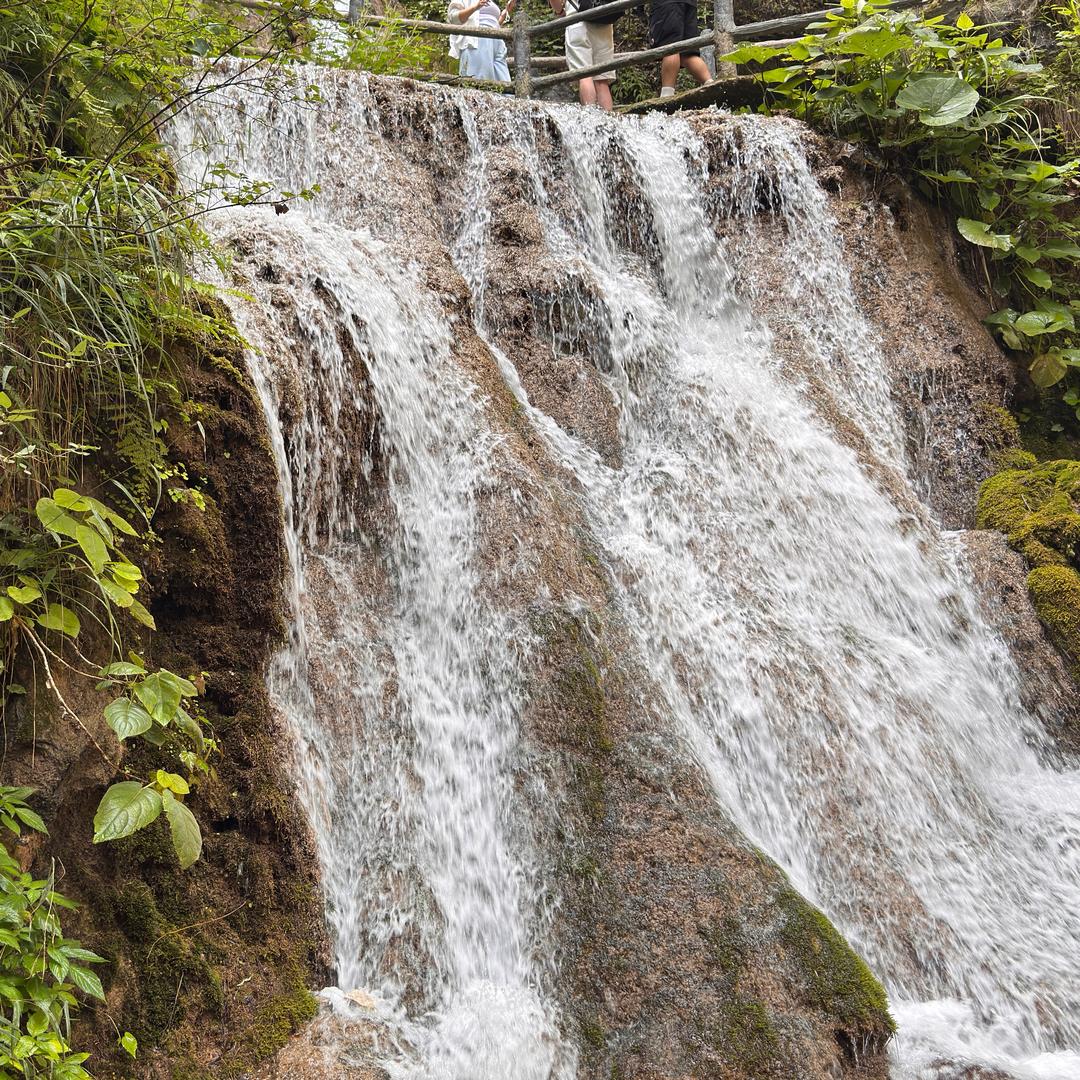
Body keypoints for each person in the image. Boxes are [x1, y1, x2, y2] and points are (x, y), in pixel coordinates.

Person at [547, 0, 616, 111]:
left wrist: (559, 12)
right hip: (604, 21)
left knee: (585, 75)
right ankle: (607, 120)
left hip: (578, 22)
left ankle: (589, 118)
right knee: (601, 80)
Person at [649, 0, 711, 98]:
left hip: (668, 4)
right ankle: (711, 86)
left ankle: (666, 96)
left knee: (670, 47)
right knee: (687, 53)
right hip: (690, 3)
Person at [448, 0, 515, 83]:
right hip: (477, 38)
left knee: (502, 78)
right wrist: (475, 7)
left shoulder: (490, 2)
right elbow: (453, 18)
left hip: (496, 40)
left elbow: (492, 24)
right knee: (479, 78)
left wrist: (503, 15)